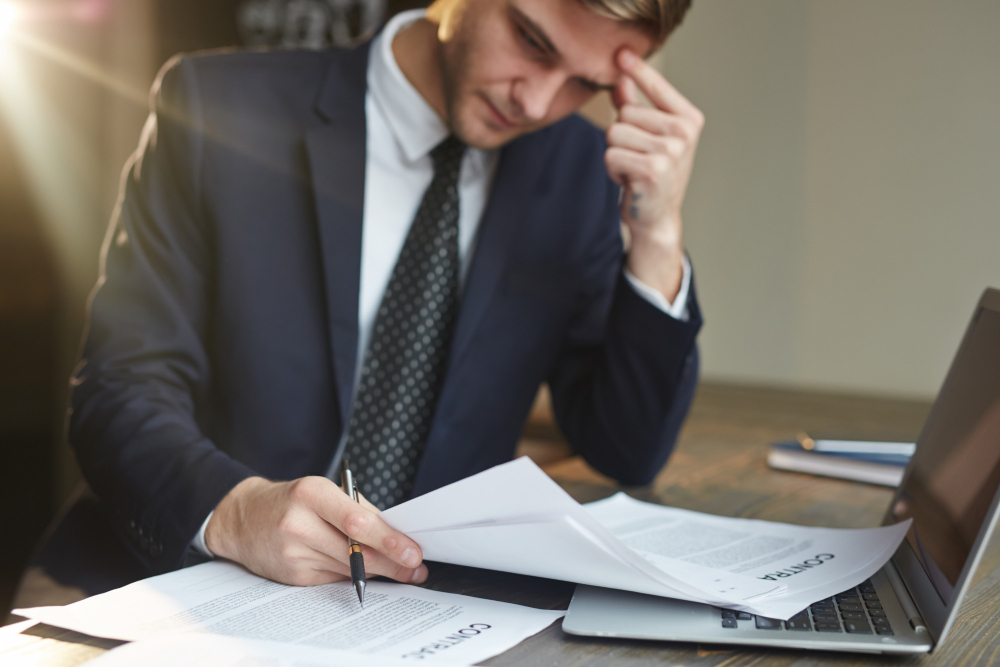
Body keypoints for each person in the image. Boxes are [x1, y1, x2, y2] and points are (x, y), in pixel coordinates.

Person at [41, 0, 705, 599]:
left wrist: (657, 235)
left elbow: (627, 449)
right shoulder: (216, 108)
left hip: (418, 612)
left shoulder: (582, 175)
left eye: (585, 83)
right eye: (532, 40)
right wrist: (237, 510)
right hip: (168, 588)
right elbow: (119, 385)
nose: (537, 102)